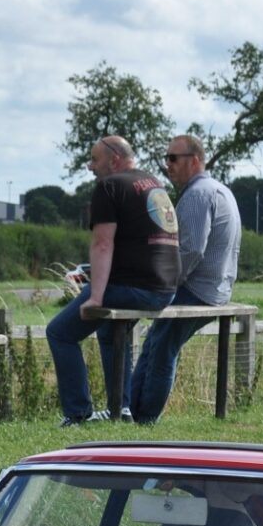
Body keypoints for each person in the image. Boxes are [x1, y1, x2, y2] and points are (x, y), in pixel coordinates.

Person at [47, 136, 179, 428]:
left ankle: (77, 413)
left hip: (134, 287)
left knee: (60, 333)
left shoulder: (109, 187)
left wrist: (95, 297)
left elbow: (102, 245)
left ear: (115, 159)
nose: (91, 167)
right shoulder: (153, 183)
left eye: (95, 160)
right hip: (167, 289)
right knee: (108, 332)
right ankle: (122, 408)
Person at [128, 135, 241, 424]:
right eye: (166, 159)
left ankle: (143, 418)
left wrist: (163, 284)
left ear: (194, 160)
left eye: (173, 158)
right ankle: (132, 412)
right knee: (157, 342)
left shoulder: (197, 195)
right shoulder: (219, 189)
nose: (168, 165)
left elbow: (190, 251)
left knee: (161, 348)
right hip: (216, 289)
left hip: (195, 289)